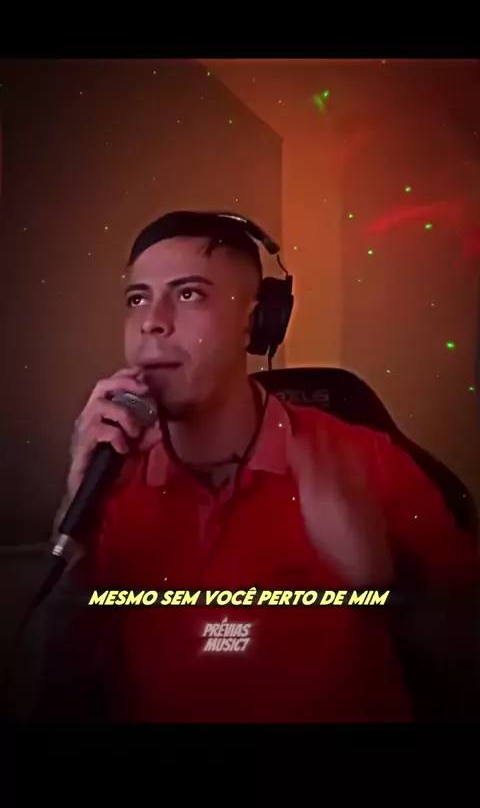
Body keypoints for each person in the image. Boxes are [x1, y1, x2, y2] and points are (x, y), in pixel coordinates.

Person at [37, 210, 479, 723]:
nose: (151, 321)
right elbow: (56, 682)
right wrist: (76, 512)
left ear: (256, 320)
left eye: (188, 294)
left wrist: (384, 586)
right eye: (137, 298)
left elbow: (465, 644)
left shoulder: (365, 457)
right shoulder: (108, 474)